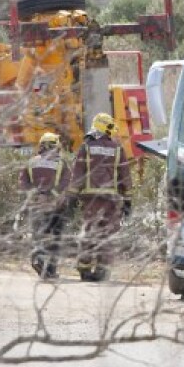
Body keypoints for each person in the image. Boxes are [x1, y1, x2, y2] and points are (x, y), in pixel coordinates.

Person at [68, 113, 131, 282]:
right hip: (111, 201)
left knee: (89, 233)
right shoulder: (117, 148)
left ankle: (85, 269)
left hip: (91, 200)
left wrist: (72, 196)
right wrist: (128, 200)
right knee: (107, 235)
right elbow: (125, 176)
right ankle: (102, 271)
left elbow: (78, 174)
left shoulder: (86, 147)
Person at [19, 132, 71, 279]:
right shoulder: (62, 163)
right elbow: (67, 182)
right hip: (56, 206)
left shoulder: (31, 162)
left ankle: (38, 259)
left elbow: (23, 182)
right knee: (55, 237)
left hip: (36, 205)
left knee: (38, 234)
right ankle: (51, 270)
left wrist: (36, 195)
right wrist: (50, 195)